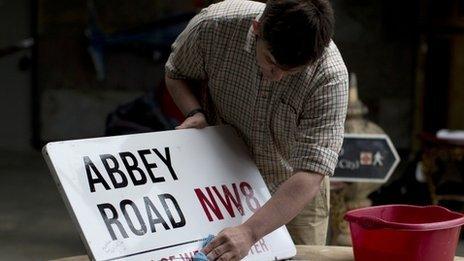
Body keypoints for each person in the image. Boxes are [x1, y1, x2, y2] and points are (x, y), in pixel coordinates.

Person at [165, 0, 348, 260]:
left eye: (291, 72)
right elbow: (176, 73)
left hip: (294, 188)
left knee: (302, 255)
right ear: (257, 28)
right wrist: (195, 113)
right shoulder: (213, 27)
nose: (277, 76)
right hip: (222, 177)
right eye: (271, 61)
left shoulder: (329, 77)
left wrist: (249, 232)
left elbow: (311, 172)